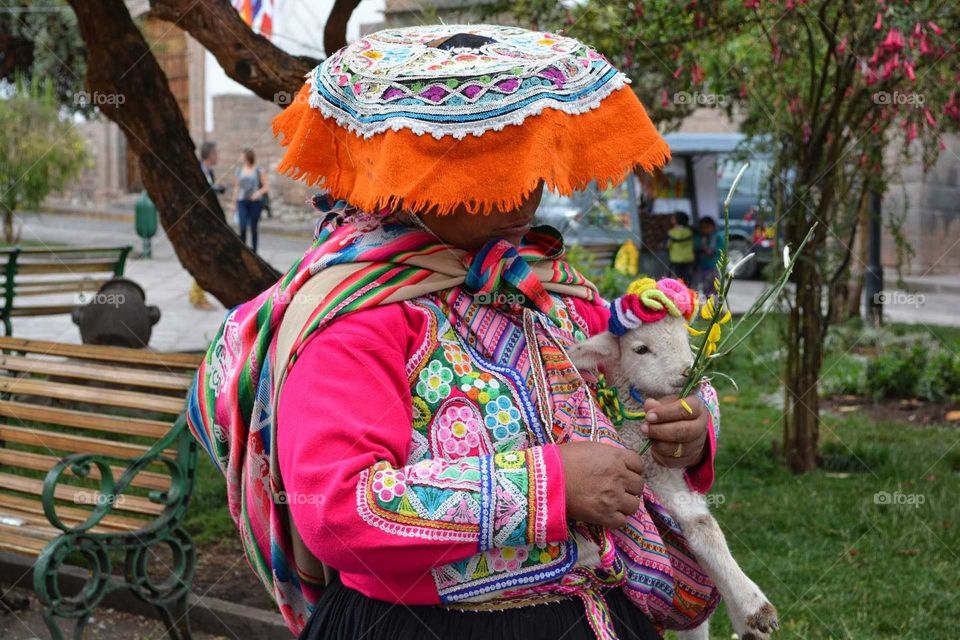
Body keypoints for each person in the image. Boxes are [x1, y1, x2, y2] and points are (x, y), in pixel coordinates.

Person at [188, 25, 722, 640]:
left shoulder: (542, 286)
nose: (526, 195)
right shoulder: (357, 316)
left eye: (531, 163)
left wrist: (687, 431)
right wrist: (547, 485)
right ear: (419, 170)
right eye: (492, 168)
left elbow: (636, 381)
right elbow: (336, 510)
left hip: (597, 611)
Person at [233, 148, 269, 252]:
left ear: (247, 157)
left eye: (242, 156)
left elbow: (266, 187)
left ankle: (254, 251)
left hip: (255, 202)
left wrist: (258, 193)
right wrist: (234, 203)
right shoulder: (239, 171)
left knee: (253, 227)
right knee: (242, 226)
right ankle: (243, 249)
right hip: (242, 201)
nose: (240, 158)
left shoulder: (258, 170)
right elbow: (237, 187)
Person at [696, 216, 723, 296]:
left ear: (712, 226)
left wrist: (704, 245)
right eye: (702, 228)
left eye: (706, 227)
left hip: (714, 266)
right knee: (706, 289)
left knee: (714, 288)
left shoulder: (715, 237)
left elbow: (710, 252)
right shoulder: (703, 236)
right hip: (705, 266)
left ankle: (714, 306)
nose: (704, 230)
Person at [666, 211, 695, 283]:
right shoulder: (689, 231)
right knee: (687, 279)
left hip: (676, 260)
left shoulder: (672, 232)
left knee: (677, 279)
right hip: (688, 259)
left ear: (677, 220)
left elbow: (668, 245)